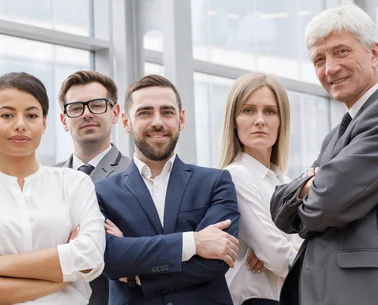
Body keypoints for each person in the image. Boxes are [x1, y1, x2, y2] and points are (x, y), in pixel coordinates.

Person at [270, 5, 378, 305]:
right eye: (319, 59)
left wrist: (309, 191)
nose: (330, 68)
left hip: (368, 294)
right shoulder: (338, 134)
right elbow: (279, 206)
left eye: (341, 51)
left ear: (374, 53)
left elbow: (327, 203)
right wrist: (309, 189)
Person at [0, 72, 106, 305]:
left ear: (44, 123)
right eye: (7, 115)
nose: (20, 125)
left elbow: (91, 257)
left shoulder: (74, 184)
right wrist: (62, 277)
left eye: (31, 115)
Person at [96, 74, 240, 305]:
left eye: (167, 112)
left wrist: (136, 275)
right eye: (145, 112)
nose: (157, 122)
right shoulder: (101, 192)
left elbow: (218, 259)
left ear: (181, 119)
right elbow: (109, 257)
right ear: (125, 122)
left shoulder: (216, 182)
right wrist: (194, 242)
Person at [219, 72, 301, 305]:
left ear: (281, 121)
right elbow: (276, 256)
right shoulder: (235, 176)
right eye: (248, 110)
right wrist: (276, 248)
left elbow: (306, 242)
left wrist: (280, 246)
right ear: (233, 121)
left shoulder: (286, 182)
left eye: (270, 111)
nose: (259, 120)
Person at [54, 70, 131, 305]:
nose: (87, 114)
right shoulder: (47, 179)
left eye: (97, 105)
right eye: (76, 108)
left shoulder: (137, 174)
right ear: (64, 120)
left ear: (115, 113)